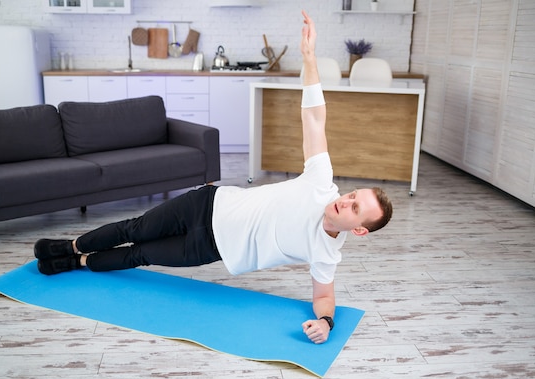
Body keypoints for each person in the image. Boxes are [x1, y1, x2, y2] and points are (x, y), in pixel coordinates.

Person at [33, 11, 393, 344]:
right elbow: (315, 118)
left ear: (358, 229)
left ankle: (75, 263)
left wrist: (326, 324)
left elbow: (325, 296)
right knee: (133, 228)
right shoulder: (321, 181)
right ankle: (72, 246)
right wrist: (310, 59)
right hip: (206, 204)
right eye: (352, 194)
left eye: (354, 207)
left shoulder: (326, 252)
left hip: (210, 248)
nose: (344, 199)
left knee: (139, 255)